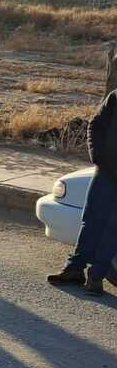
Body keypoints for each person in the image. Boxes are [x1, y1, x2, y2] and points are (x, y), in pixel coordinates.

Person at [48, 85, 117, 296]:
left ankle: (96, 277)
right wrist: (98, 157)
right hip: (106, 170)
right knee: (91, 220)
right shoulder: (116, 96)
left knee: (113, 228)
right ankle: (74, 269)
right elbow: (95, 125)